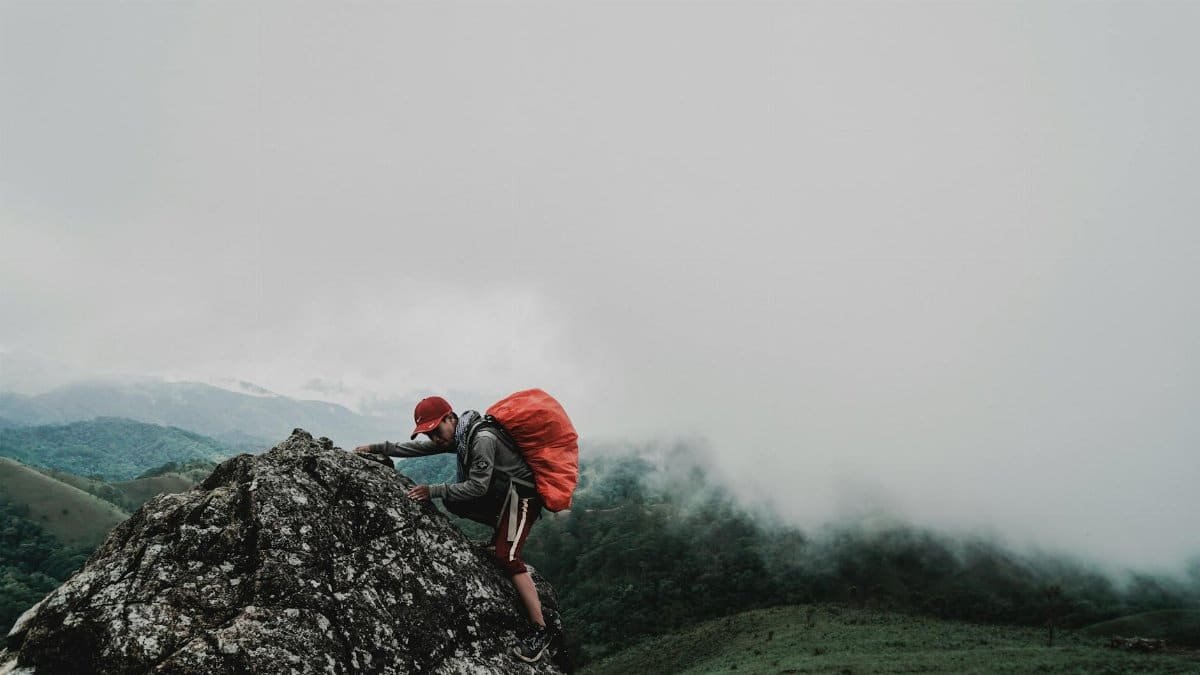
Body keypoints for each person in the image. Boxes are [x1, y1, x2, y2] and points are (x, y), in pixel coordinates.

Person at [354, 395, 557, 663]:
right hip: (505, 494)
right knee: (454, 500)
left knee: (506, 556)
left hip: (523, 497)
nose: (435, 438)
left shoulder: (481, 439)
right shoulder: (461, 438)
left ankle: (541, 631)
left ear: (451, 418)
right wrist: (373, 447)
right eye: (429, 433)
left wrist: (432, 490)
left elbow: (478, 487)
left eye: (436, 430)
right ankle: (500, 534)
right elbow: (416, 450)